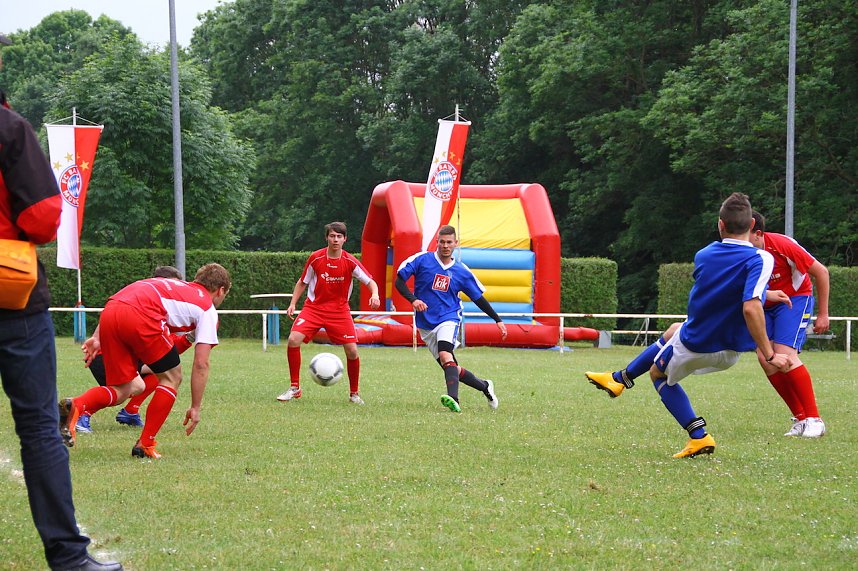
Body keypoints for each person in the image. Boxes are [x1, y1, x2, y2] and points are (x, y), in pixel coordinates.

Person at [0, 32, 123, 571]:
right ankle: (69, 559)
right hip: (12, 301)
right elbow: (46, 217)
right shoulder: (9, 128)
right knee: (38, 429)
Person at [586, 193, 792, 458]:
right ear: (752, 224)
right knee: (674, 329)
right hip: (731, 352)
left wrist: (770, 354)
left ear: (720, 224)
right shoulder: (762, 259)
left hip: (699, 344)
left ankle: (698, 436)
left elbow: (748, 306)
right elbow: (744, 298)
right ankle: (619, 379)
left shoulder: (704, 255)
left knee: (658, 376)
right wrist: (767, 298)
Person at [59, 263, 231, 459]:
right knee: (172, 377)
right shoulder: (208, 309)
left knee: (125, 388)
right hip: (141, 316)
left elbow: (126, 298)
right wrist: (196, 407)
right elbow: (201, 363)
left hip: (111, 310)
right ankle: (145, 444)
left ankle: (76, 405)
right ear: (221, 290)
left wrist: (97, 336)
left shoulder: (169, 285)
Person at [395, 225, 507, 412]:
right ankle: (485, 386)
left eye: (449, 242)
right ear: (437, 242)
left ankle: (453, 399)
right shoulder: (422, 260)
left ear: (456, 244)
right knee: (451, 366)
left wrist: (497, 319)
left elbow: (478, 298)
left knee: (446, 355)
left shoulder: (462, 271)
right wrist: (413, 300)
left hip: (449, 317)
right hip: (425, 323)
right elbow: (399, 280)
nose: (445, 245)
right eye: (442, 242)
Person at [75, 266, 192, 433]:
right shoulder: (143, 306)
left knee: (163, 372)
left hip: (126, 357)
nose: (173, 291)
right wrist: (97, 338)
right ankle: (80, 410)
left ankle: (130, 411)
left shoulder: (154, 307)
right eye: (171, 286)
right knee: (130, 388)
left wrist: (190, 338)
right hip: (106, 355)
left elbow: (168, 352)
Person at [276, 222, 380, 404]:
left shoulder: (350, 261)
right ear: (327, 238)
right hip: (313, 308)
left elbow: (370, 281)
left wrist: (375, 294)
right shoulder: (316, 258)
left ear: (345, 239)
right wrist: (293, 303)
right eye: (332, 236)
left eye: (339, 236)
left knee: (352, 351)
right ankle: (294, 388)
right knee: (293, 339)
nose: (335, 240)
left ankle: (354, 394)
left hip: (339, 311)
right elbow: (302, 282)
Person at [750, 211, 829, 438]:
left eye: (747, 236)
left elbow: (821, 272)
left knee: (785, 355)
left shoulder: (782, 245)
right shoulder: (743, 252)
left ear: (758, 233)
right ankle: (801, 419)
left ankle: (815, 419)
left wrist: (823, 314)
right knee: (766, 359)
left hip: (795, 298)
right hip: (765, 304)